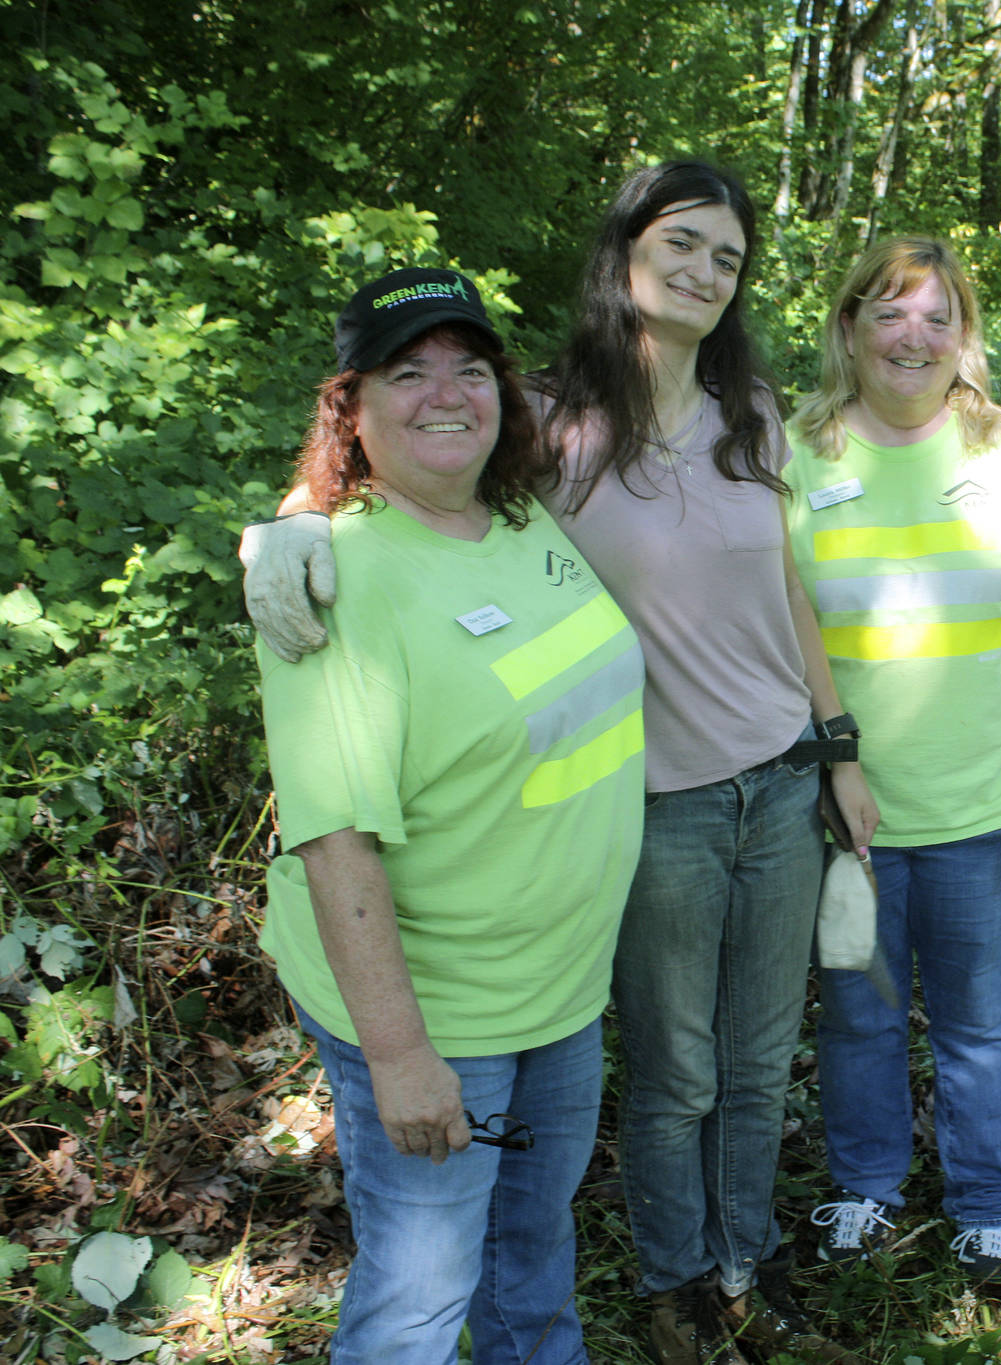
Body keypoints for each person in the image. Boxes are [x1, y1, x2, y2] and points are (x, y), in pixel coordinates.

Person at [240, 162, 877, 1365]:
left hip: (747, 803)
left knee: (739, 1071)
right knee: (666, 1083)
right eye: (678, 243)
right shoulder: (552, 424)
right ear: (624, 254)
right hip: (631, 843)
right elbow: (399, 470)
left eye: (726, 257)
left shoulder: (743, 413)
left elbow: (777, 577)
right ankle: (679, 1276)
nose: (700, 271)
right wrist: (287, 526)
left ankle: (740, 1264)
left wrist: (834, 742)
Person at [256, 268, 645, 1365]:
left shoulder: (520, 519)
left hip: (559, 997)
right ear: (351, 408)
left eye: (468, 369)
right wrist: (400, 1056)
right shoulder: (339, 580)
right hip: (442, 1023)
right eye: (406, 371)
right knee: (417, 1305)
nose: (445, 394)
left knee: (530, 1257)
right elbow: (334, 842)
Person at [787, 236, 1001, 1282]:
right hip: (850, 811)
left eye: (935, 317)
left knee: (974, 1024)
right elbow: (772, 620)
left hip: (979, 809)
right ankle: (865, 1191)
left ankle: (983, 1204)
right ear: (848, 330)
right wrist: (833, 761)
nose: (911, 337)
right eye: (887, 313)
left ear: (963, 336)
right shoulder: (800, 454)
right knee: (859, 1021)